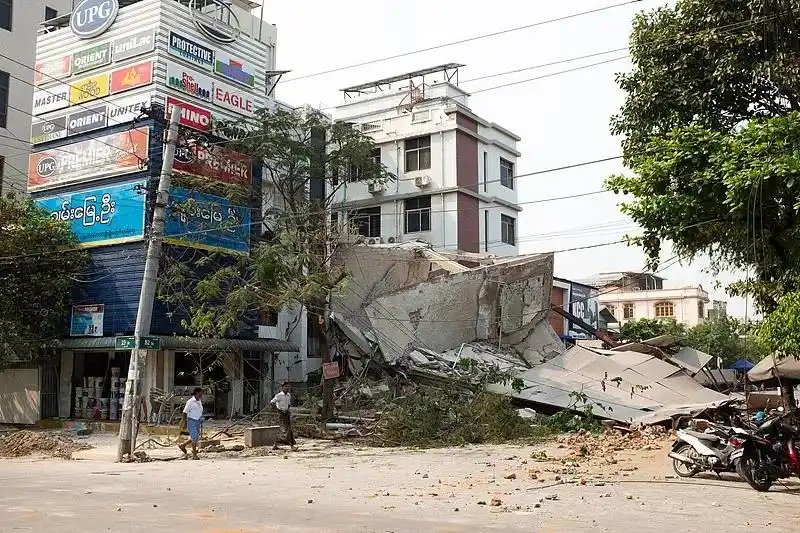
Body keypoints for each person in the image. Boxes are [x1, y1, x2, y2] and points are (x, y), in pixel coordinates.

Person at [178, 387, 204, 460]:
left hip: (198, 421)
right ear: (197, 393)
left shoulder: (199, 401)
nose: (202, 395)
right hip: (191, 421)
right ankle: (194, 454)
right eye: (200, 393)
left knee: (195, 437)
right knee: (194, 437)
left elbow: (199, 410)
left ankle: (183, 445)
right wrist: (184, 422)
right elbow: (185, 412)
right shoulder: (190, 402)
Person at [270, 382, 297, 450]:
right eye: (286, 386)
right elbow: (272, 402)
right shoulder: (279, 395)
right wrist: (278, 410)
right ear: (282, 388)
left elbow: (289, 404)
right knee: (285, 430)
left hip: (286, 414)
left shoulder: (288, 395)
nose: (287, 388)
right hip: (281, 414)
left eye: (288, 386)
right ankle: (291, 446)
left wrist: (287, 410)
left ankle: (276, 444)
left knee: (287, 429)